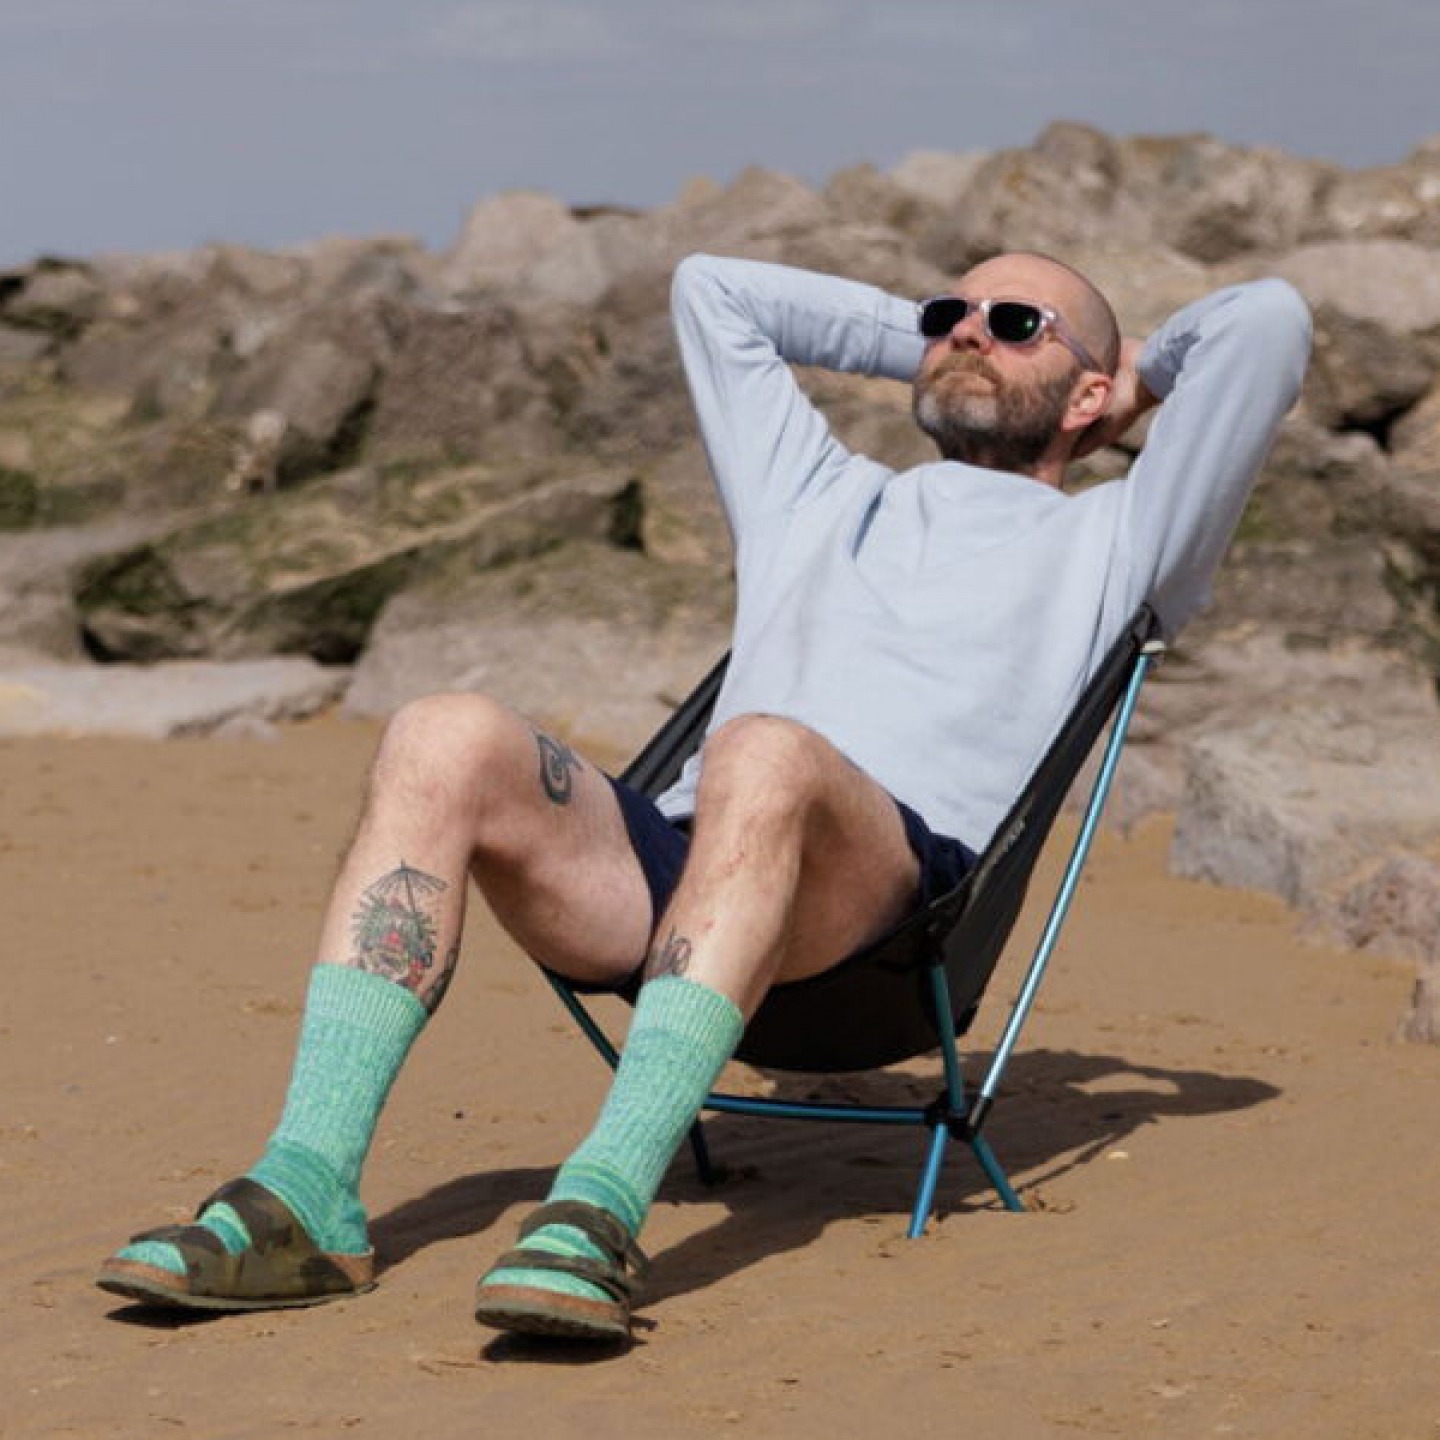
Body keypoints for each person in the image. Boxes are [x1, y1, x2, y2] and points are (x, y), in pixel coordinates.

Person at [97, 248, 1311, 1342]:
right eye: (950, 313)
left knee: (768, 750)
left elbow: (1268, 322)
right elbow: (710, 291)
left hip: (883, 923)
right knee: (441, 730)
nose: (965, 334)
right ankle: (307, 1190)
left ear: (1093, 394)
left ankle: (601, 1204)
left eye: (1012, 320)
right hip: (670, 876)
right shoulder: (816, 497)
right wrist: (969, 346)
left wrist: (1136, 372)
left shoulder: (1128, 539)